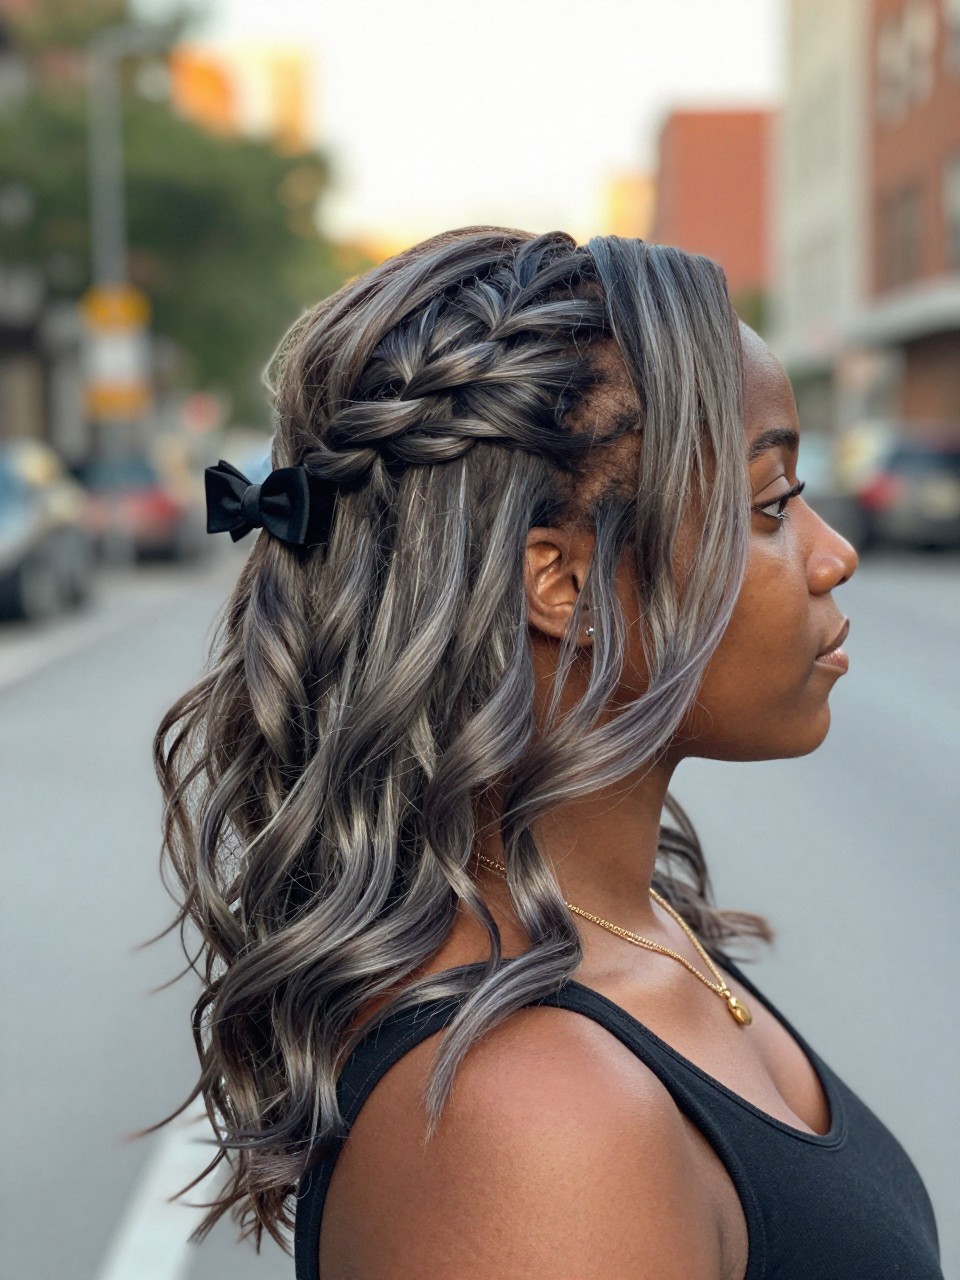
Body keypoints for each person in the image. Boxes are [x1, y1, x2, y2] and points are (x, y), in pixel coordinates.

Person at [151, 227, 942, 1279]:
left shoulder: (627, 930)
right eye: (769, 506)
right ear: (560, 583)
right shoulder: (529, 1120)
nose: (831, 554)